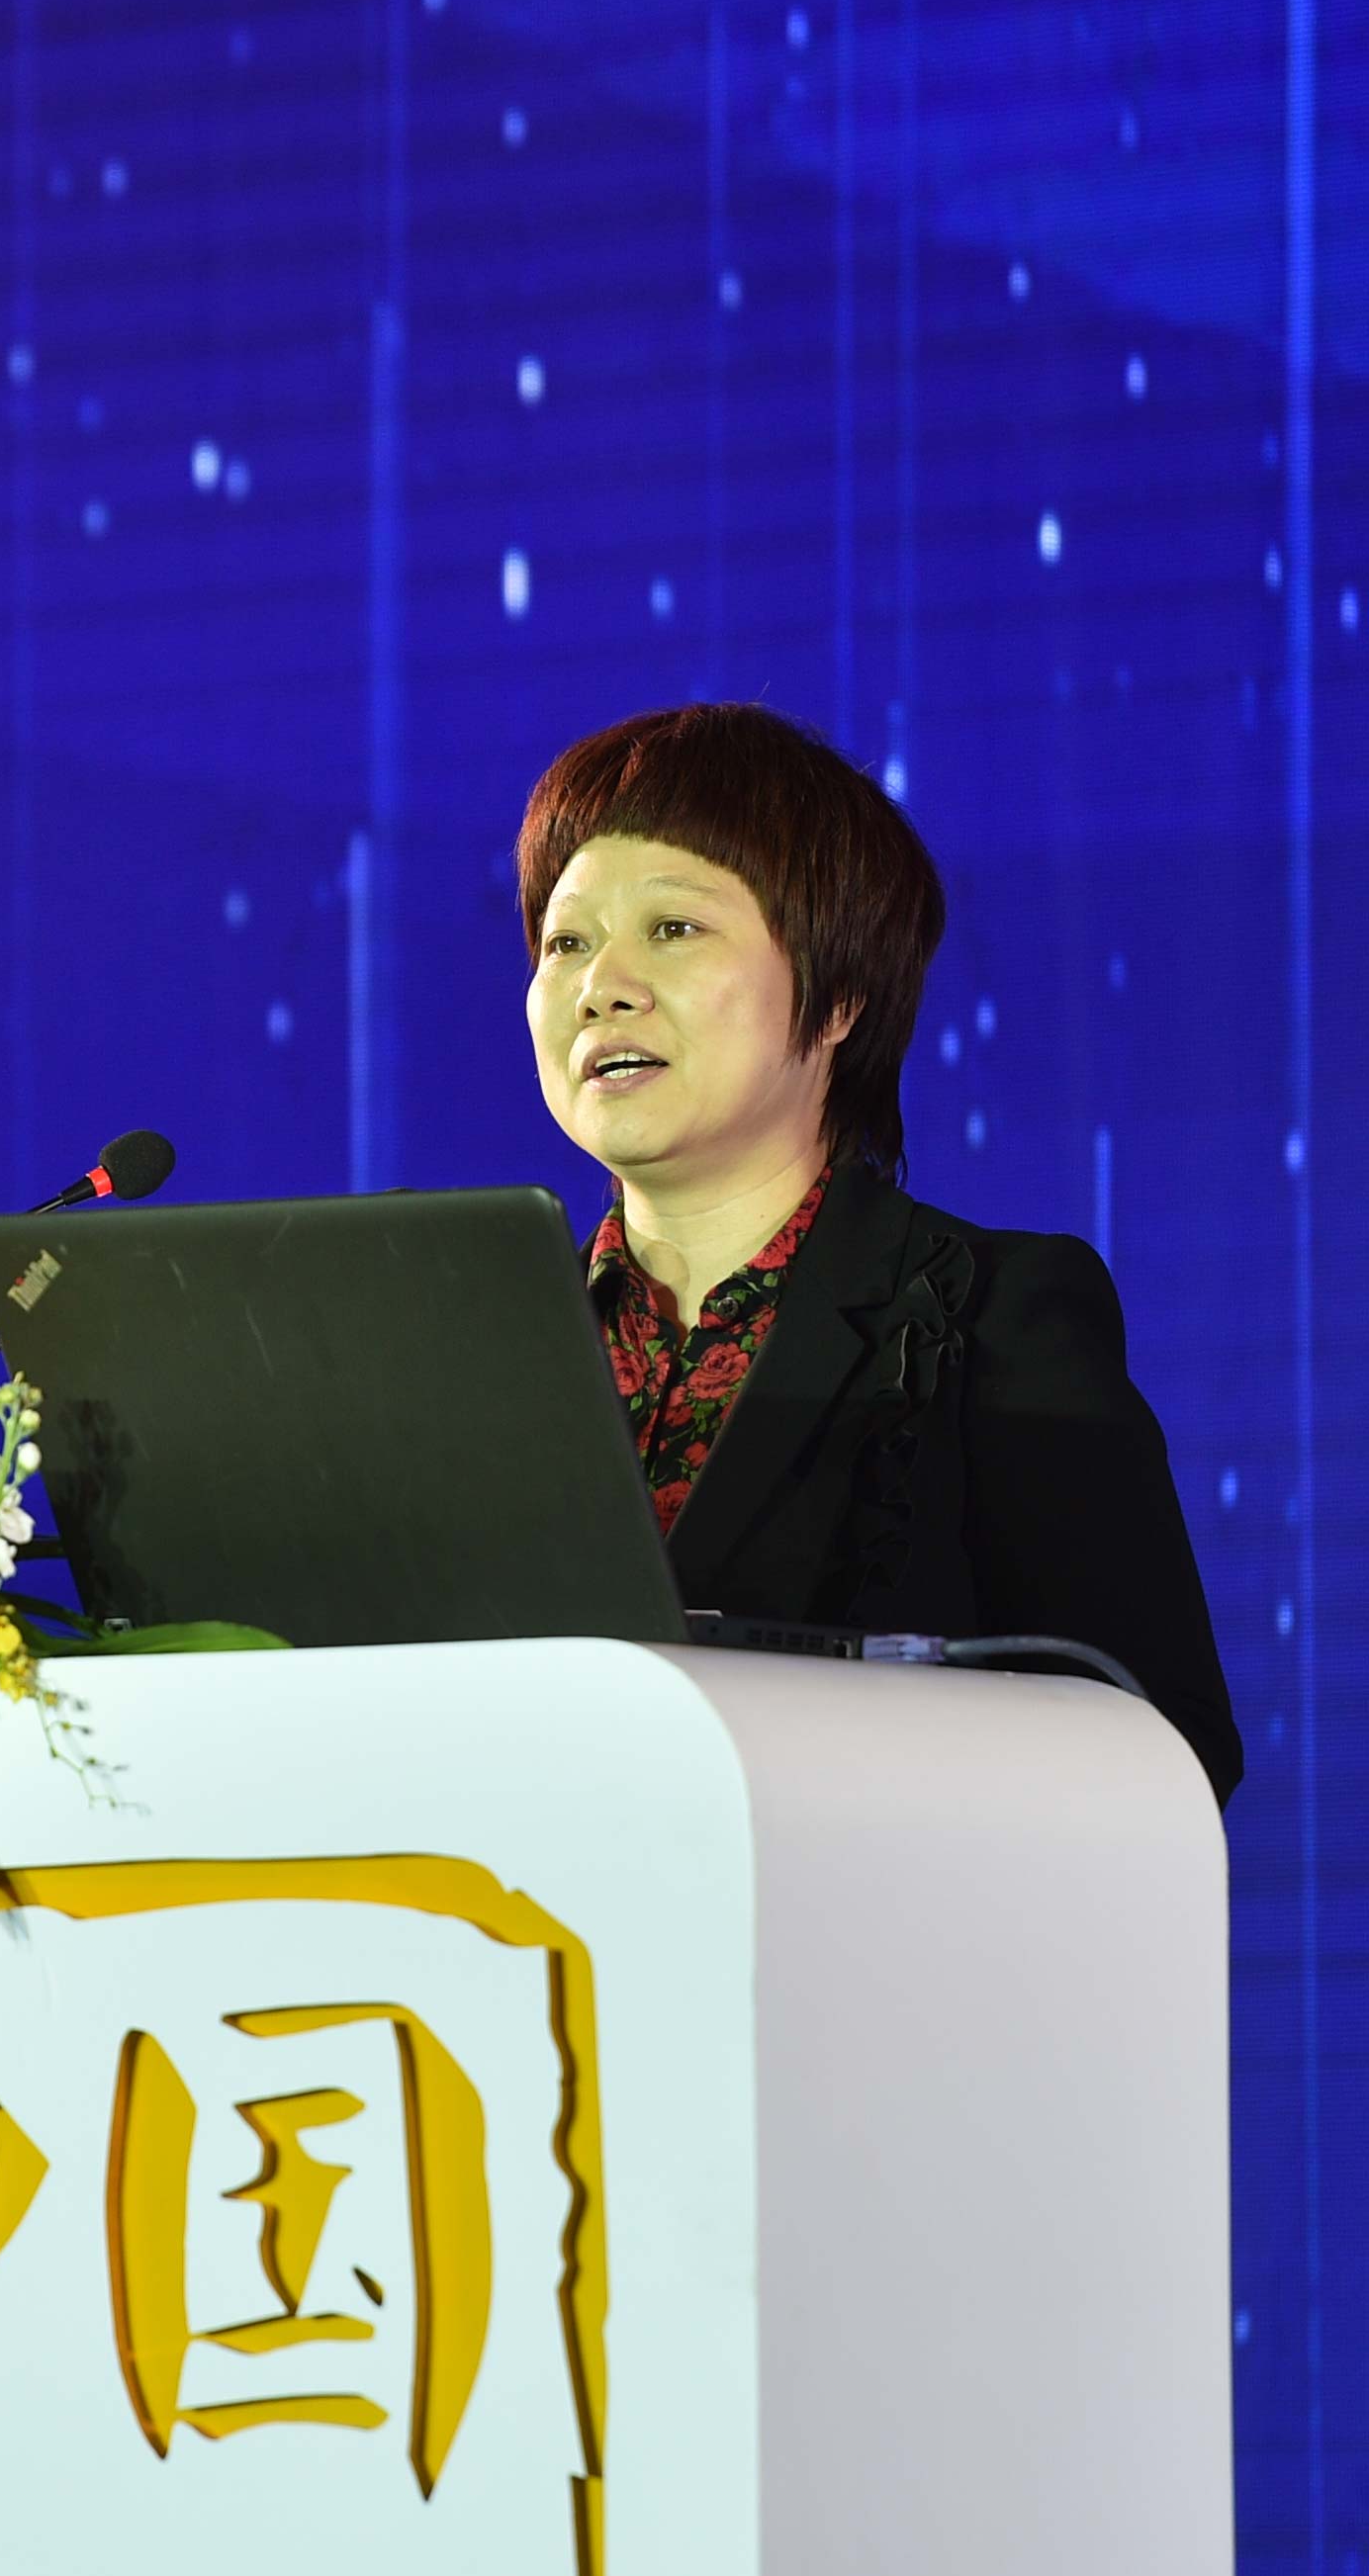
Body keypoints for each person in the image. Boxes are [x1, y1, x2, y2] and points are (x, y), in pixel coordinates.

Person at [519, 700, 1241, 1808]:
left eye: (672, 928)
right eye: (567, 941)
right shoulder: (484, 1347)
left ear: (840, 997)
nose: (599, 984)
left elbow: (1161, 1748)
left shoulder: (990, 1320)